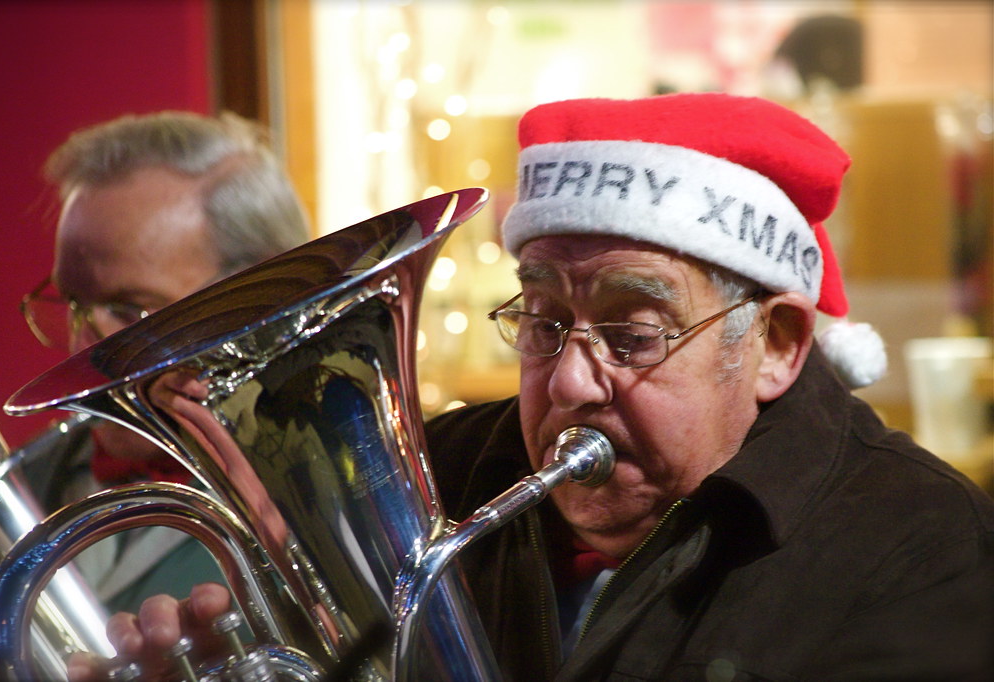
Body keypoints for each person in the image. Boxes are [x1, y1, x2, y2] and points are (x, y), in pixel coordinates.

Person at [80, 94, 994, 681]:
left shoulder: (922, 543)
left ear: (778, 346)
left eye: (634, 334)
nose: (565, 380)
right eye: (544, 320)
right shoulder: (438, 470)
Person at [18, 110, 310, 614]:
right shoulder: (27, 484)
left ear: (262, 302)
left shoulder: (333, 497)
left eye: (131, 310)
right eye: (72, 304)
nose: (81, 352)